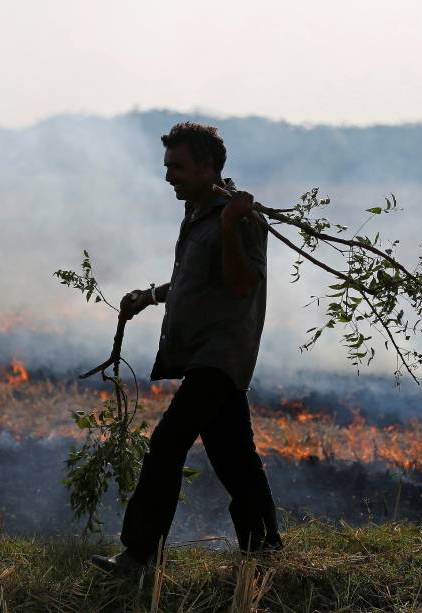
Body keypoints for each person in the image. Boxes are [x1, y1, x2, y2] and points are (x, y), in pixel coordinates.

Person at [91, 122, 282, 576]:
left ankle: (140, 555)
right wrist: (149, 296)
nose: (168, 177)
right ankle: (265, 549)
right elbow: (195, 279)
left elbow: (242, 284)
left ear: (206, 167)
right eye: (167, 167)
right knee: (235, 458)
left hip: (220, 355)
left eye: (176, 167)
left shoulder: (242, 219)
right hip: (203, 355)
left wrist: (231, 225)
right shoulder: (198, 213)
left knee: (167, 443)